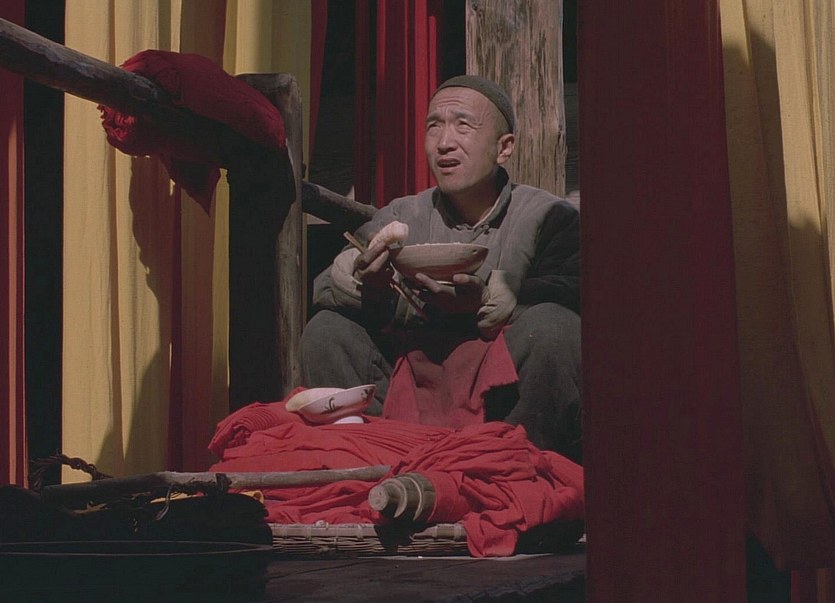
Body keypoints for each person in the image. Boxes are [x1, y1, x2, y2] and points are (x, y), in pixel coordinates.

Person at [301, 75, 582, 462]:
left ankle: (517, 468)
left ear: (504, 147)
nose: (444, 142)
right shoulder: (405, 214)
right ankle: (367, 463)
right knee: (327, 330)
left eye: (463, 126)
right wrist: (370, 286)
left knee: (553, 327)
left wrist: (494, 298)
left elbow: (583, 290)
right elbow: (322, 289)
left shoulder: (547, 217)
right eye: (434, 126)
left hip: (499, 394)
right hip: (412, 384)